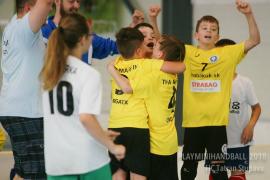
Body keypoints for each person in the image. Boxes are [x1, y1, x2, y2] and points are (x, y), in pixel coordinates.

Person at [180, 0, 260, 180]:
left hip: (217, 125)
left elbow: (255, 40)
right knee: (189, 166)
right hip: (193, 123)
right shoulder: (187, 52)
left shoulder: (227, 54)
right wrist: (152, 19)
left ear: (217, 36)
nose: (209, 30)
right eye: (205, 28)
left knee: (218, 170)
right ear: (196, 35)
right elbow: (161, 45)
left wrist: (248, 14)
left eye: (213, 29)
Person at [40, 13, 125, 180]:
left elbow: (65, 119)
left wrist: (100, 133)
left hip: (56, 162)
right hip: (88, 160)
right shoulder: (88, 74)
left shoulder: (48, 73)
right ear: (82, 40)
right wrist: (112, 147)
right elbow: (86, 118)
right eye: (91, 34)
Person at [107, 27, 185, 180]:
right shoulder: (171, 72)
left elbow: (127, 86)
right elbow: (180, 64)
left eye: (155, 45)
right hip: (169, 139)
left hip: (155, 143)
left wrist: (111, 68)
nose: (150, 43)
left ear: (160, 54)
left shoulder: (152, 73)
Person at [0, 0, 53, 179]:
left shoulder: (14, 27)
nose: (47, 15)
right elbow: (45, 2)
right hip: (26, 113)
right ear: (29, 9)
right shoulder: (24, 29)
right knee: (36, 173)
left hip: (18, 110)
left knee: (24, 171)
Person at [205, 39, 261, 180]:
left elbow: (257, 108)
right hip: (215, 140)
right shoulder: (209, 82)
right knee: (216, 174)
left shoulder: (245, 83)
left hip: (238, 141)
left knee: (238, 175)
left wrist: (250, 126)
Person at [41, 0, 145, 64]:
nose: (76, 6)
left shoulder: (86, 36)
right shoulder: (42, 32)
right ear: (58, 1)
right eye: (71, 1)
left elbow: (117, 46)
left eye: (78, 1)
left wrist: (133, 28)